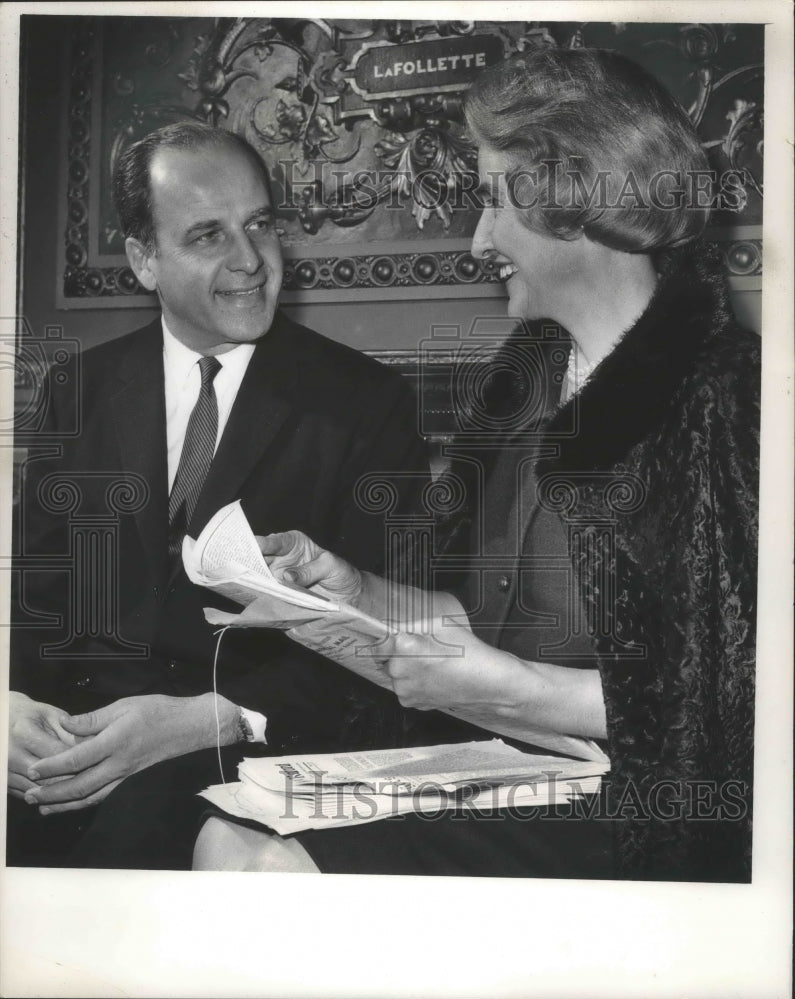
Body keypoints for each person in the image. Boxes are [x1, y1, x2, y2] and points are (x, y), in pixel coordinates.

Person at [194, 48, 759, 882]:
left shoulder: (729, 396)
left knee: (272, 869)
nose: (477, 239)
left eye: (494, 202)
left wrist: (517, 689)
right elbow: (481, 619)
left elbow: (743, 694)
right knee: (228, 835)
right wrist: (357, 592)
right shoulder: (517, 391)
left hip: (647, 807)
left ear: (577, 200)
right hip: (499, 766)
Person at [8, 122, 429, 868]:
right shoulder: (78, 387)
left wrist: (216, 718)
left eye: (259, 224)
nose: (249, 261)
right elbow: (40, 606)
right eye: (207, 235)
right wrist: (10, 709)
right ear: (144, 260)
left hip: (236, 765)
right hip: (61, 756)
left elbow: (387, 645)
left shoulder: (366, 403)